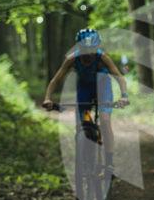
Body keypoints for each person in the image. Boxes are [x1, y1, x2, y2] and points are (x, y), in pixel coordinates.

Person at [43, 28, 129, 174]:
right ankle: (85, 152)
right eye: (85, 50)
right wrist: (47, 98)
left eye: (92, 50)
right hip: (84, 88)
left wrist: (124, 96)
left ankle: (109, 163)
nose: (88, 54)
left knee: (105, 121)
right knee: (81, 124)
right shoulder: (72, 59)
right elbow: (56, 80)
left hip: (103, 86)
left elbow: (119, 77)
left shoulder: (102, 57)